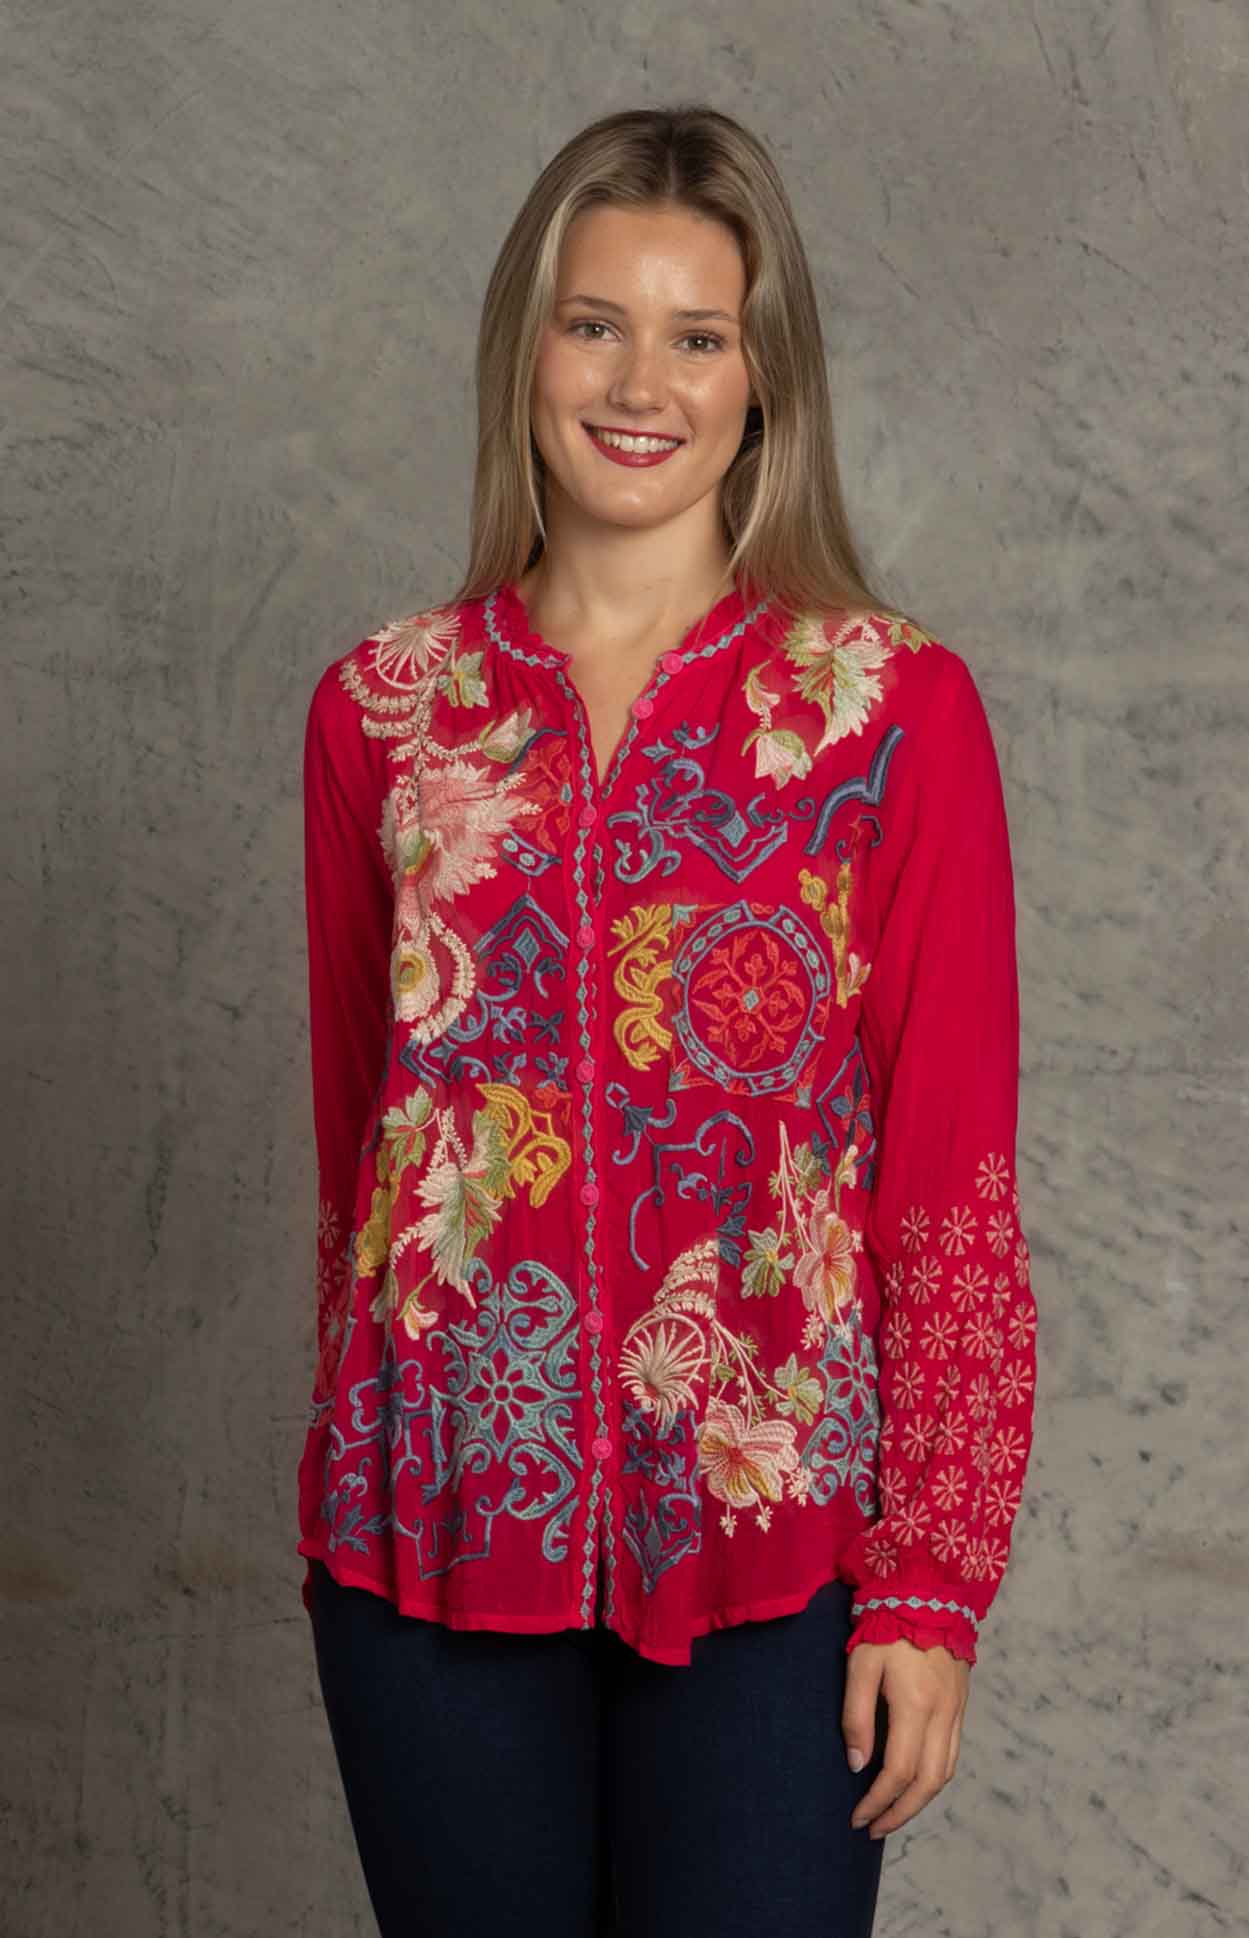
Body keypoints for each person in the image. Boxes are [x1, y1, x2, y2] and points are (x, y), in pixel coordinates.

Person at [298, 102, 1038, 1938]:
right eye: (594, 324)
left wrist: (931, 1577)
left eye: (696, 334)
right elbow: (360, 1150)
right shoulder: (384, 710)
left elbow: (949, 1180)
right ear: (526, 351)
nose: (642, 384)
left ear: (760, 376)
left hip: (776, 1547)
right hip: (431, 1542)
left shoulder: (888, 713)